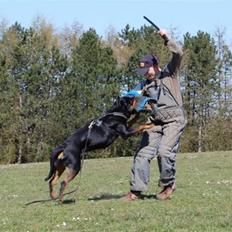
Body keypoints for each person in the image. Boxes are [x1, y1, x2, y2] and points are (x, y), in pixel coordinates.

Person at [122, 29, 187, 201]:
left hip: (174, 120)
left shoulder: (169, 73)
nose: (146, 75)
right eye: (143, 73)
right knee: (142, 154)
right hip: (155, 122)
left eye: (148, 71)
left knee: (164, 152)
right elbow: (129, 99)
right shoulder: (144, 85)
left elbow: (178, 53)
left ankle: (168, 185)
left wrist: (166, 38)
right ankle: (136, 191)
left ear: (155, 65)